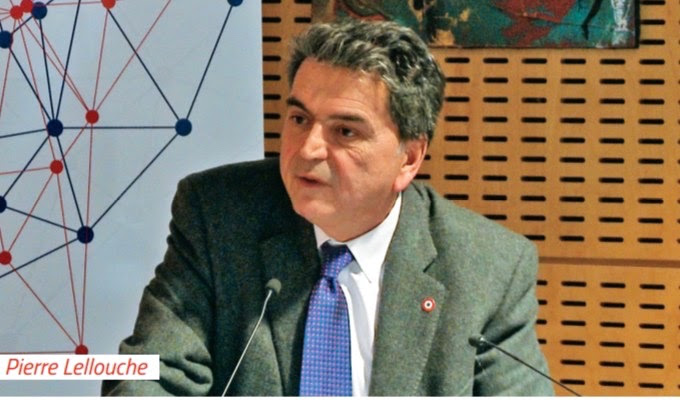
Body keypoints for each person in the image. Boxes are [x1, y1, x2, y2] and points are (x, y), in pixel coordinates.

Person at [102, 19, 553, 396]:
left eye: (345, 132)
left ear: (409, 158)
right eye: (299, 119)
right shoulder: (218, 215)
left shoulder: (487, 268)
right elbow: (148, 373)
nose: (307, 149)